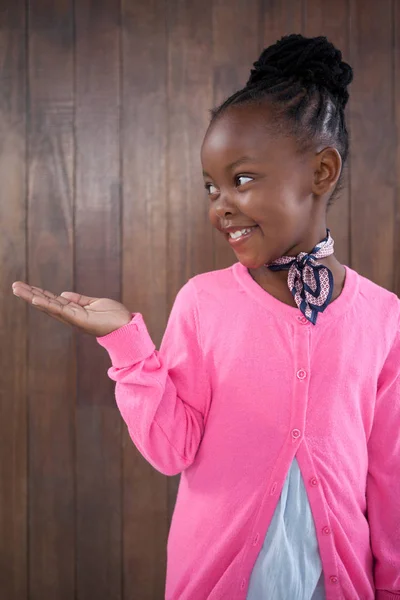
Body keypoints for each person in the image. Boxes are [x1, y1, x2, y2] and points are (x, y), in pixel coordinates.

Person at [12, 34, 400, 600]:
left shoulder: (384, 317)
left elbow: (389, 477)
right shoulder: (203, 301)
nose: (220, 205)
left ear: (321, 172)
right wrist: (127, 345)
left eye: (241, 180)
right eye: (211, 186)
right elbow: (173, 450)